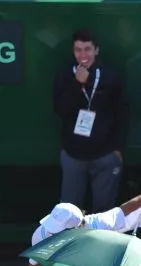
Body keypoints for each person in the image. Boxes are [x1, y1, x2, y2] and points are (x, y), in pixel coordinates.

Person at [52, 28, 129, 213]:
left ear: (96, 50)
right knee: (69, 212)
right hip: (74, 154)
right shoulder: (65, 74)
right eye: (78, 50)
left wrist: (118, 149)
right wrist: (77, 84)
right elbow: (61, 109)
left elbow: (123, 113)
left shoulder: (110, 76)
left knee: (103, 213)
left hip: (105, 154)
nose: (83, 54)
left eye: (87, 49)